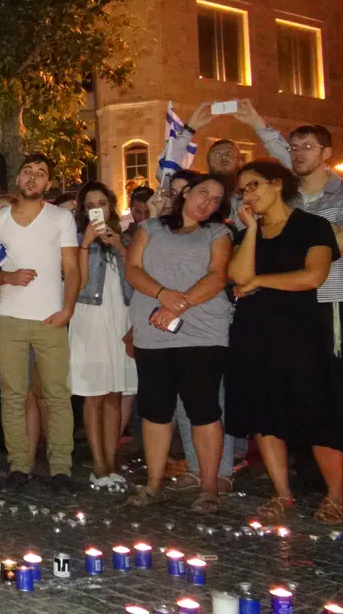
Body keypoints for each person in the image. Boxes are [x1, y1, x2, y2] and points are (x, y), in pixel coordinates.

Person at [225, 160, 343, 524]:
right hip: (254, 332)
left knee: (316, 412)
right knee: (265, 414)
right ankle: (282, 493)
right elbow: (238, 276)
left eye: (253, 185)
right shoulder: (248, 231)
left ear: (277, 183)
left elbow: (313, 276)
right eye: (242, 190)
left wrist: (262, 281)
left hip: (300, 333)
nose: (247, 195)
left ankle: (336, 495)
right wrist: (251, 230)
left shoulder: (312, 225)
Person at [125, 175, 232, 512]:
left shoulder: (218, 233)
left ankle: (209, 487)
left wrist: (176, 304)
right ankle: (154, 483)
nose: (207, 203)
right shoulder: (151, 228)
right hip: (153, 333)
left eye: (216, 199)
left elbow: (218, 276)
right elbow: (133, 269)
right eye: (203, 193)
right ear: (185, 193)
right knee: (156, 410)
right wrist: (162, 295)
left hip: (202, 333)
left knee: (203, 409)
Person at [0, 153, 81, 492]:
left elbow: (72, 268)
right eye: (28, 171)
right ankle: (19, 466)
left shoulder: (61, 218)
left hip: (51, 319)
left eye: (41, 173)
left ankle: (61, 469)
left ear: (48, 182)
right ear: (18, 178)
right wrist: (7, 277)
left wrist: (68, 309)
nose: (33, 177)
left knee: (57, 395)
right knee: (12, 396)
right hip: (10, 319)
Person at [288, 125, 343, 489]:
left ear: (326, 153)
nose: (298, 153)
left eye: (307, 146)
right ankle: (308, 465)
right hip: (294, 300)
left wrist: (298, 234)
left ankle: (342, 469)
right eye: (294, 147)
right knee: (301, 382)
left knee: (336, 384)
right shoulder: (288, 198)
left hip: (334, 298)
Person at [71, 182, 136, 488]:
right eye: (90, 205)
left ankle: (110, 463)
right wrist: (86, 243)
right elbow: (78, 283)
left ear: (111, 206)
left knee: (115, 395)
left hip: (120, 318)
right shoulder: (74, 239)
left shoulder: (126, 239)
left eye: (102, 203)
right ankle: (98, 466)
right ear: (83, 211)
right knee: (94, 394)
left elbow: (135, 280)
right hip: (90, 319)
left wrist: (121, 248)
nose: (97, 209)